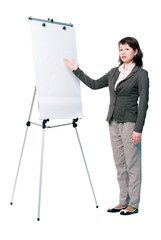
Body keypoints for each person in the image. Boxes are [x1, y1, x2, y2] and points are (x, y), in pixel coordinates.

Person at [64, 37, 149, 215]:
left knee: (132, 165)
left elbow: (143, 103)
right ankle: (122, 201)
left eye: (126, 49)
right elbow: (94, 85)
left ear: (135, 51)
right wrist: (76, 70)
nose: (123, 52)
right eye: (120, 49)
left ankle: (133, 204)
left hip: (130, 123)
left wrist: (138, 129)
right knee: (120, 165)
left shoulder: (141, 74)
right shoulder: (114, 72)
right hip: (113, 122)